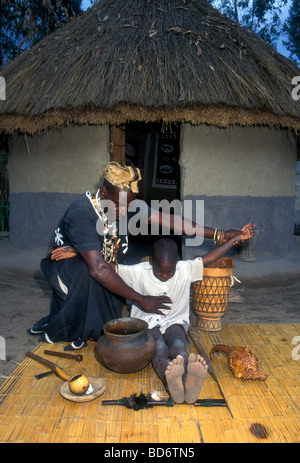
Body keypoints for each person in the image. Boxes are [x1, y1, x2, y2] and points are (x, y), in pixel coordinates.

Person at [28, 161, 252, 350]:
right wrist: (141, 299)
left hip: (103, 264)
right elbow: (98, 268)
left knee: (109, 296)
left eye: (130, 204)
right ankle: (68, 328)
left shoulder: (125, 203)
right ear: (104, 193)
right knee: (92, 275)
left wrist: (219, 234)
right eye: (120, 205)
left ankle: (93, 324)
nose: (125, 211)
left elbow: (171, 221)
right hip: (70, 270)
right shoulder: (81, 212)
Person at [117, 230, 252, 404]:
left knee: (178, 345)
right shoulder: (138, 271)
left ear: (177, 262)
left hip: (175, 321)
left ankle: (187, 380)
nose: (165, 276)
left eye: (169, 272)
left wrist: (235, 239)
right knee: (158, 347)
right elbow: (108, 269)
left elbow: (210, 257)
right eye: (160, 272)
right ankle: (171, 381)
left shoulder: (185, 269)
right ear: (150, 261)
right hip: (148, 324)